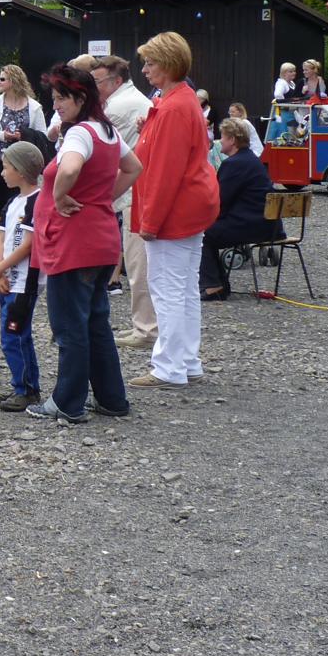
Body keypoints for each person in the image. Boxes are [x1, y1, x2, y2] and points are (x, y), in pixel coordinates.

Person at [26, 64, 141, 424]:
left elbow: (71, 169)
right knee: (95, 323)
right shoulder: (106, 131)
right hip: (102, 239)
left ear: (80, 97)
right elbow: (134, 166)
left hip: (74, 243)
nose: (56, 104)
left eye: (61, 98)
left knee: (69, 325)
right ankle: (111, 398)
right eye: (54, 98)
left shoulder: (79, 135)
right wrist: (105, 198)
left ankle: (67, 402)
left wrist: (60, 197)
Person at [129, 32, 219, 391]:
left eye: (150, 63)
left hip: (174, 213)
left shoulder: (172, 108)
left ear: (166, 65)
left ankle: (168, 367)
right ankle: (186, 361)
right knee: (182, 290)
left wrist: (150, 221)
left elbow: (165, 171)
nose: (146, 69)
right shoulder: (181, 103)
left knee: (167, 289)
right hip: (189, 209)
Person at [93, 56, 157, 350]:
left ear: (115, 82)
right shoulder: (133, 99)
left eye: (98, 82)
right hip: (138, 192)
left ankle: (146, 329)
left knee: (137, 263)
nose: (95, 88)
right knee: (138, 261)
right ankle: (145, 325)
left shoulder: (117, 108)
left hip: (135, 194)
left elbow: (104, 152)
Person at [0, 141, 44, 412]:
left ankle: (25, 389)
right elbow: (2, 238)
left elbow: (28, 244)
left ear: (21, 171)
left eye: (6, 167)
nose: (2, 173)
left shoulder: (37, 202)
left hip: (25, 282)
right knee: (16, 334)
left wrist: (0, 269)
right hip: (8, 280)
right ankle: (25, 385)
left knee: (15, 335)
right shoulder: (12, 202)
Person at [198, 119, 280, 300]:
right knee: (208, 232)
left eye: (223, 137)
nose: (220, 141)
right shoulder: (251, 159)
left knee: (203, 235)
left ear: (233, 140)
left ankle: (213, 286)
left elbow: (221, 201)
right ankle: (218, 284)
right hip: (268, 224)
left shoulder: (233, 164)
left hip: (252, 225)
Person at [0, 63, 49, 216]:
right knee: (0, 205)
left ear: (14, 81)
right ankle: (2, 237)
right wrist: (3, 135)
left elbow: (43, 135)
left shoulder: (34, 107)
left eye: (2, 79)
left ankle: (20, 237)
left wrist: (24, 135)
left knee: (23, 203)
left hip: (24, 164)